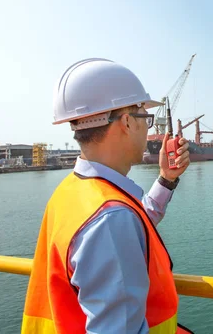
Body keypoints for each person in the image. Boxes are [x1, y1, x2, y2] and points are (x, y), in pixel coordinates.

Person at [21, 58, 193, 333]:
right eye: (145, 118)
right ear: (126, 122)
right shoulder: (110, 219)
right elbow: (113, 228)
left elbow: (131, 223)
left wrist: (166, 180)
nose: (149, 128)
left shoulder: (73, 192)